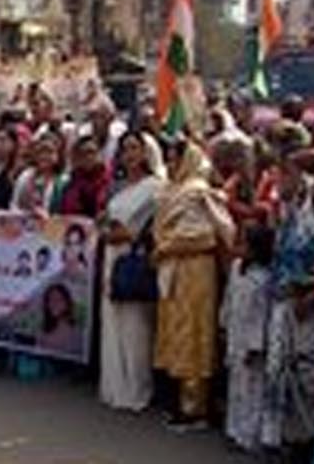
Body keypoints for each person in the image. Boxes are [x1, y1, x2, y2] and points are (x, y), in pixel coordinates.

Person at [152, 140, 236, 430]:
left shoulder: (199, 192)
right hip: (173, 269)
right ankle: (178, 398)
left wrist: (168, 246)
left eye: (176, 159)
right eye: (168, 160)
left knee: (194, 333)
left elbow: (209, 235)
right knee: (175, 332)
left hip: (195, 270)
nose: (171, 165)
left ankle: (195, 406)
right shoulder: (172, 190)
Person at [262, 158, 314, 458]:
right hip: (284, 299)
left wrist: (312, 296)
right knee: (278, 367)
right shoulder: (297, 214)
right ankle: (281, 436)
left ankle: (312, 439)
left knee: (310, 373)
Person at [98, 131, 165, 412]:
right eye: (125, 149)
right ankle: (116, 387)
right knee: (113, 319)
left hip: (134, 258)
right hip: (112, 256)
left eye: (135, 148)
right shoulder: (117, 186)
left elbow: (150, 228)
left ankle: (138, 389)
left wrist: (125, 234)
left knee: (136, 325)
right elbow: (104, 220)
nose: (130, 154)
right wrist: (105, 227)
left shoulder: (156, 187)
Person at [223, 225, 274, 452]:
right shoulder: (237, 269)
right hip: (236, 333)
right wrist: (224, 323)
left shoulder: (264, 279)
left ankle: (249, 436)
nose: (240, 248)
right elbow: (229, 298)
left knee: (252, 389)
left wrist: (255, 345)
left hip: (251, 342)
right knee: (235, 387)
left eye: (244, 244)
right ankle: (233, 430)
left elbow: (262, 315)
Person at [57, 135, 111, 218]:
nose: (88, 157)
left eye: (92, 152)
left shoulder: (109, 182)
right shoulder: (70, 184)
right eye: (83, 154)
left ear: (99, 154)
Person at [12, 131, 66, 213]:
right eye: (41, 151)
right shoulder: (26, 176)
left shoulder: (64, 180)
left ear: (58, 155)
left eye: (50, 152)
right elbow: (14, 205)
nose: (44, 156)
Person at [37, 283, 80, 354]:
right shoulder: (43, 330)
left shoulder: (75, 334)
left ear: (67, 303)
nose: (54, 303)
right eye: (51, 300)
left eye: (59, 300)